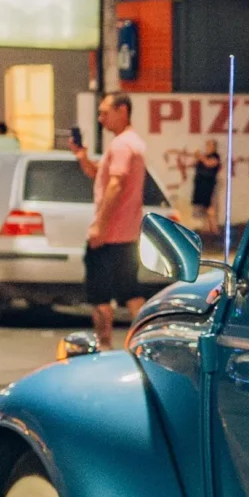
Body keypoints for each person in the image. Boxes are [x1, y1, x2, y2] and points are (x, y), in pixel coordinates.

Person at [73, 94, 147, 348]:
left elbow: (116, 185)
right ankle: (146, 342)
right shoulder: (130, 143)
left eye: (105, 112)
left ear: (122, 110)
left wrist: (100, 226)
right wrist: (82, 157)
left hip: (110, 235)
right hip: (127, 235)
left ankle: (104, 346)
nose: (100, 118)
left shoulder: (122, 145)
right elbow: (103, 177)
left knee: (100, 296)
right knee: (131, 292)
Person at [190, 137, 224, 238]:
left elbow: (209, 164)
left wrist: (200, 156)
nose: (208, 147)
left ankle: (214, 229)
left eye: (210, 145)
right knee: (204, 208)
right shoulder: (204, 157)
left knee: (210, 207)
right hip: (201, 185)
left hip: (209, 185)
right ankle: (207, 228)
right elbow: (194, 164)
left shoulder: (215, 157)